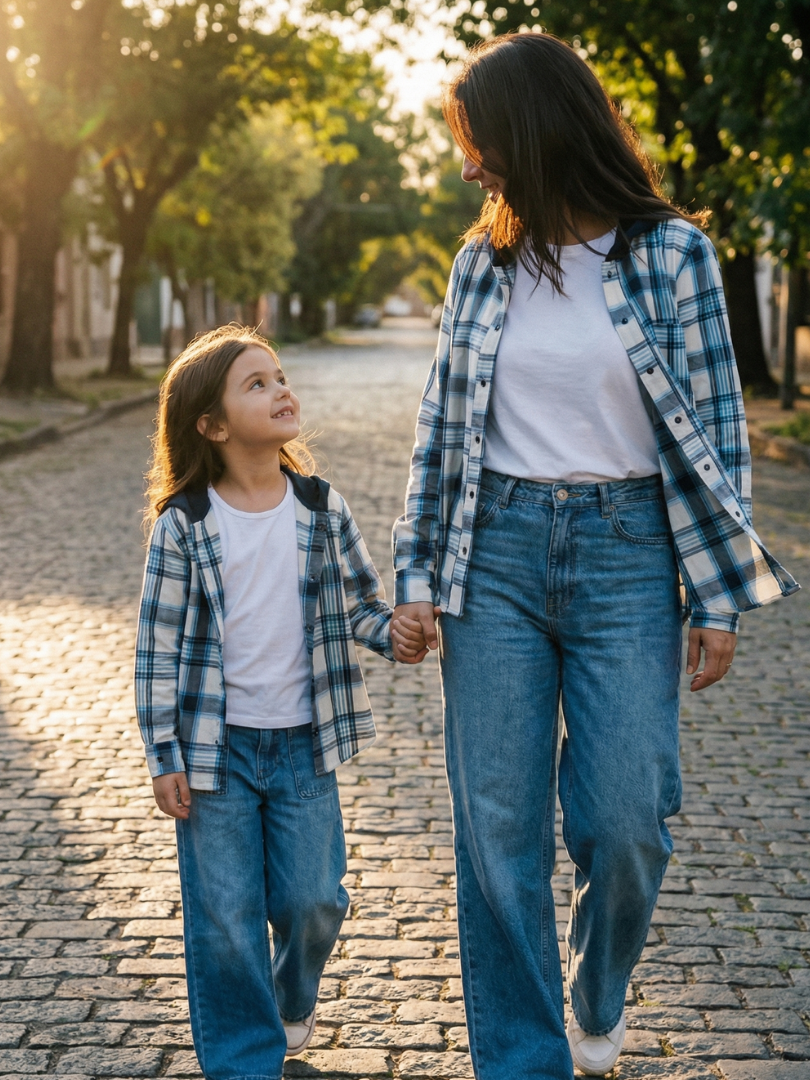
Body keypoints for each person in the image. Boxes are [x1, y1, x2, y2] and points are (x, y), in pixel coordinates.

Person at [391, 33, 798, 1080]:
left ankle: (598, 984)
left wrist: (716, 598)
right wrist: (417, 576)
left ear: (534, 132)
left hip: (630, 554)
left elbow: (718, 427)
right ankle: (524, 1060)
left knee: (628, 819)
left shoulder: (673, 256)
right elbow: (442, 429)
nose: (469, 168)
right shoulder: (480, 265)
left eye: (479, 142)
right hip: (494, 554)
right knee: (498, 830)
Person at [134, 326, 422, 1080]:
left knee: (313, 901)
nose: (280, 390)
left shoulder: (321, 508)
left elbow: (362, 606)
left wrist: (397, 634)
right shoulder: (185, 524)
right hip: (216, 752)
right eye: (255, 384)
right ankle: (243, 1061)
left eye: (280, 376)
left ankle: (290, 995)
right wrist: (163, 754)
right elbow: (157, 648)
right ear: (212, 425)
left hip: (304, 745)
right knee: (226, 917)